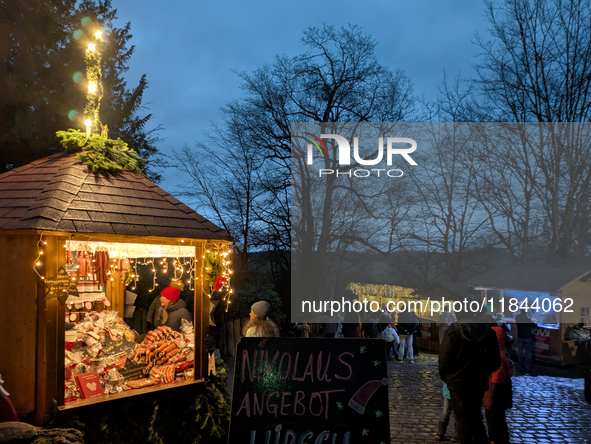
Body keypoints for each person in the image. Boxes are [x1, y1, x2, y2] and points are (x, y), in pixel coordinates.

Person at [439, 319, 501, 444]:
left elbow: (444, 359)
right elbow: (495, 361)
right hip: (477, 382)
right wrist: (483, 373)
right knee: (476, 418)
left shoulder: (453, 331)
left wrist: (448, 378)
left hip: (458, 383)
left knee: (463, 421)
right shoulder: (488, 332)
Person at [484, 326, 512, 444]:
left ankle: (495, 439)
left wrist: (489, 399)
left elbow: (496, 381)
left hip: (495, 394)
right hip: (497, 394)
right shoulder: (499, 353)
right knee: (499, 417)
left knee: (494, 418)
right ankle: (500, 438)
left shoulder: (497, 356)